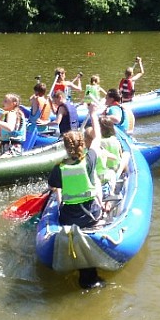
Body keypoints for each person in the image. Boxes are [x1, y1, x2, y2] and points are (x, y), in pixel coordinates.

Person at [47, 104, 105, 289]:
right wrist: (93, 114)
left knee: (58, 193)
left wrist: (58, 194)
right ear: (83, 144)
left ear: (65, 148)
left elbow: (53, 186)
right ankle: (92, 272)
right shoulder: (89, 160)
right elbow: (97, 138)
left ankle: (83, 273)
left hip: (69, 217)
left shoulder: (59, 168)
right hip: (91, 215)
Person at [0, 93, 26, 157]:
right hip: (9, 149)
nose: (3, 102)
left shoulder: (12, 113)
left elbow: (10, 128)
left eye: (6, 101)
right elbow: (11, 135)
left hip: (11, 151)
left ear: (14, 103)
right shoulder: (18, 113)